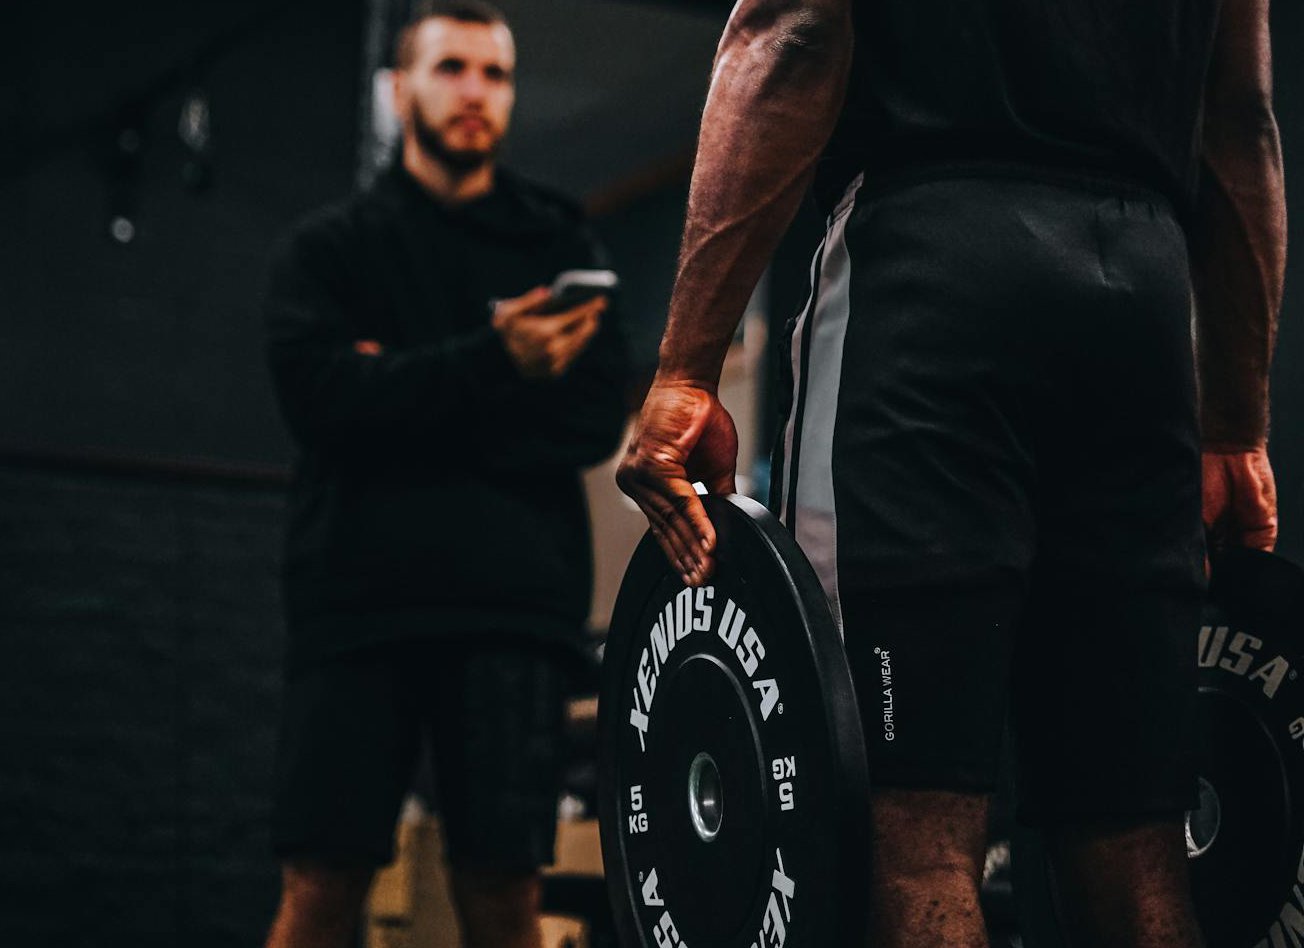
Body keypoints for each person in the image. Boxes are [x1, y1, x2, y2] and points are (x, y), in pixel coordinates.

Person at [616, 0, 1284, 945]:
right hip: (1141, 301)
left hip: (933, 270)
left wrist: (688, 368)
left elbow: (795, 31)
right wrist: (1235, 427)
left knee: (907, 836)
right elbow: (1240, 117)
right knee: (1135, 846)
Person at [261, 3, 628, 946]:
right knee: (322, 882)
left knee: (504, 893)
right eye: (452, 68)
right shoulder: (329, 252)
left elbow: (592, 417)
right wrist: (497, 367)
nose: (475, 93)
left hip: (510, 616)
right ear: (399, 89)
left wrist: (402, 390)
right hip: (357, 613)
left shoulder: (557, 242)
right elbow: (323, 404)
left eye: (495, 74)